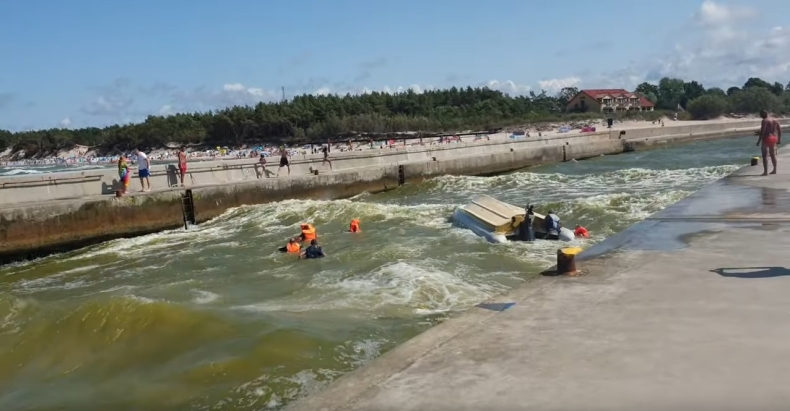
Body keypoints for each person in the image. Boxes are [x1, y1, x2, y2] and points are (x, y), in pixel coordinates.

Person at [756, 110, 782, 176]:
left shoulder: (764, 121)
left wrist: (758, 141)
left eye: (761, 114)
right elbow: (779, 130)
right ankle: (774, 170)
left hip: (767, 138)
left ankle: (765, 172)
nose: (760, 116)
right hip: (774, 138)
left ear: (764, 114)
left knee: (765, 156)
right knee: (772, 155)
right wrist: (779, 139)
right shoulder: (775, 120)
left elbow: (763, 131)